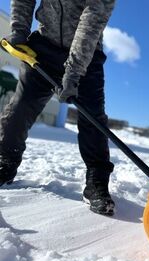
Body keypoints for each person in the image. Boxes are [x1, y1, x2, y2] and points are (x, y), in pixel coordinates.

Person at [0, 0, 116, 216]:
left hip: (86, 58)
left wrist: (74, 71)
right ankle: (5, 162)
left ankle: (97, 181)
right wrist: (19, 30)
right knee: (20, 107)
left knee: (92, 119)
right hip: (43, 47)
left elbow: (93, 18)